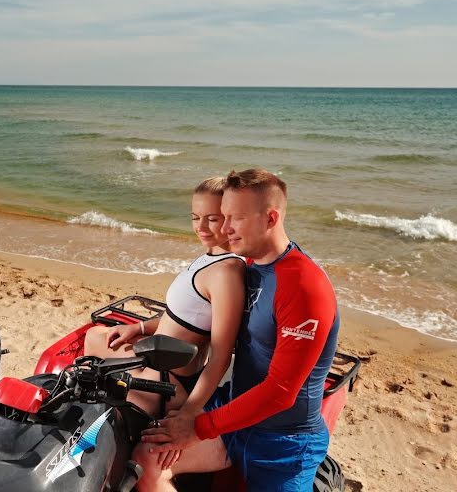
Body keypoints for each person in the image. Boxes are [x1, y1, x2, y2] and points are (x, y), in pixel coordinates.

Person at [137, 168, 340, 492]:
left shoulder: (304, 287)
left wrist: (198, 427)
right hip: (233, 414)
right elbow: (205, 318)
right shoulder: (250, 266)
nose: (225, 229)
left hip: (284, 442)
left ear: (270, 218)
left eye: (236, 219)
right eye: (225, 216)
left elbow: (280, 393)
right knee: (148, 457)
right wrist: (146, 326)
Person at [83, 176, 245, 466]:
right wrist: (139, 327)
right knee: (95, 337)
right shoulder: (208, 257)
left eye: (212, 219)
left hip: (170, 381)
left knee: (107, 426)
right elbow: (183, 315)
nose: (201, 227)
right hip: (153, 354)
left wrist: (189, 413)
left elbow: (221, 355)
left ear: (232, 218)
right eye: (196, 217)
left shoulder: (226, 274)